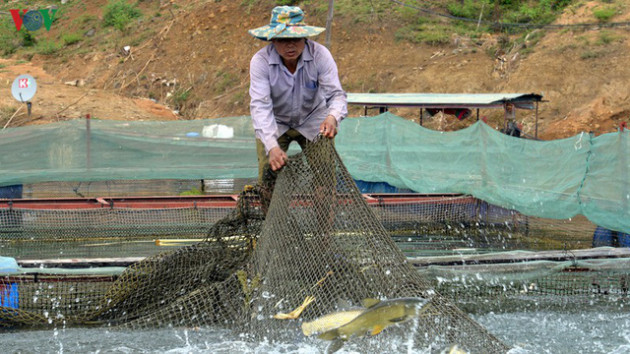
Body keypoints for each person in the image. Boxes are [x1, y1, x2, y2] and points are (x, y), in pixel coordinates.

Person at [248, 6, 347, 183]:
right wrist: (271, 146)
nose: (290, 45)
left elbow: (336, 95)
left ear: (305, 37)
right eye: (283, 40)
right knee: (269, 176)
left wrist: (332, 117)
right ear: (272, 40)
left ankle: (325, 208)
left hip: (313, 119)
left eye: (295, 38)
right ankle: (271, 209)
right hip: (275, 122)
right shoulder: (260, 61)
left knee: (325, 175)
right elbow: (260, 106)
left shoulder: (320, 55)